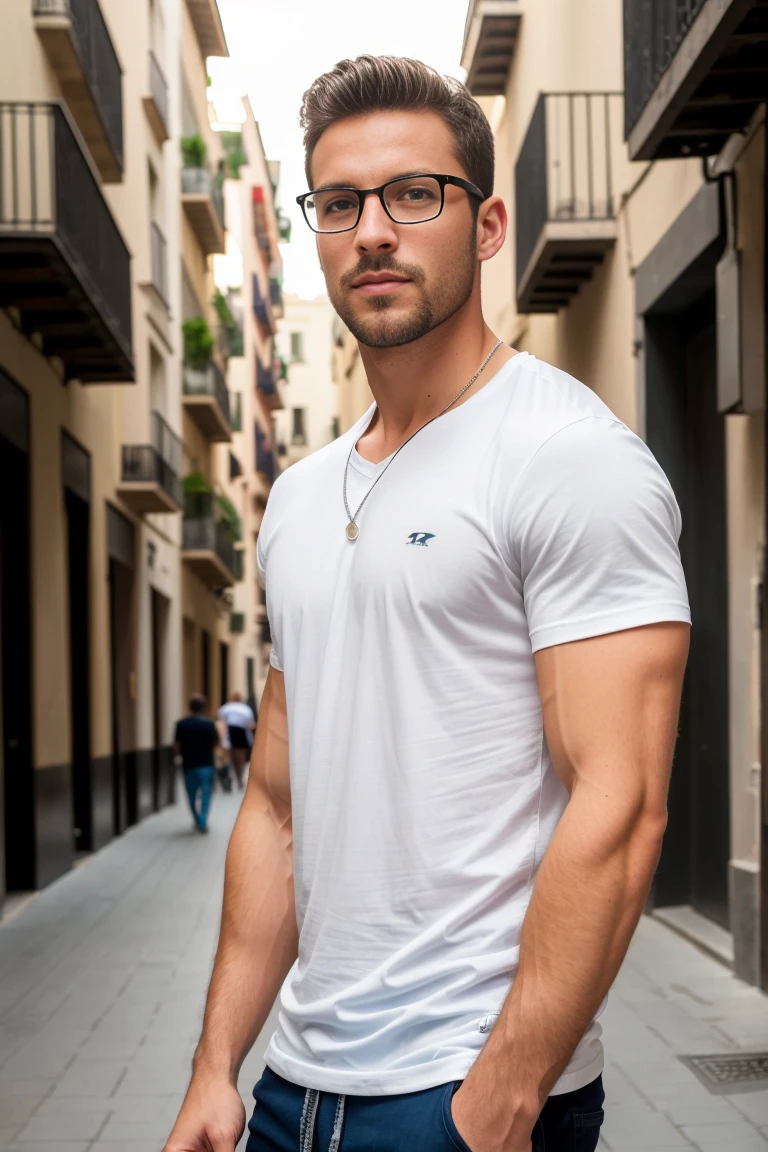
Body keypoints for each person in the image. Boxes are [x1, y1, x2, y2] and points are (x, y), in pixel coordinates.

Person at [164, 56, 690, 1152]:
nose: (373, 232)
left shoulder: (567, 458)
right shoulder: (299, 501)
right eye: (340, 203)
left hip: (464, 1088)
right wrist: (218, 1067)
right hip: (288, 1087)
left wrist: (500, 1103)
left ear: (487, 223)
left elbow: (623, 803)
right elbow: (276, 803)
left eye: (416, 195)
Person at [173, 694, 218, 834]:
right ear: (204, 708)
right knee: (206, 794)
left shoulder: (181, 724)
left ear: (189, 707)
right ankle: (203, 820)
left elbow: (177, 746)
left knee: (191, 795)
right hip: (206, 765)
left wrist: (176, 758)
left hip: (189, 765)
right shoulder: (209, 724)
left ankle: (197, 820)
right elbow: (216, 743)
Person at [216, 691, 257, 790]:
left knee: (231, 757)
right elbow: (251, 724)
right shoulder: (246, 709)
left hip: (230, 734)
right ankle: (239, 777)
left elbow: (220, 723)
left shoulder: (225, 708)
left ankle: (235, 776)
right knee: (241, 758)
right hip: (242, 734)